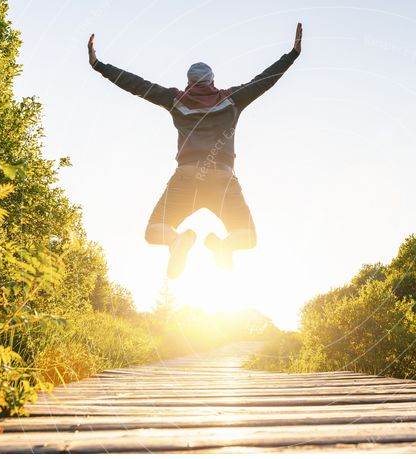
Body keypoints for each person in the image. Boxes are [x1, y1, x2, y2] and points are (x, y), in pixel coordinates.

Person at [87, 23, 302, 278]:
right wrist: (292, 55)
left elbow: (137, 85)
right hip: (222, 178)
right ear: (213, 81)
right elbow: (264, 81)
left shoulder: (176, 99)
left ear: (188, 82)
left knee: (155, 230)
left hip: (187, 176)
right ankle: (223, 245)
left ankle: (178, 241)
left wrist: (99, 65)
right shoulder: (232, 98)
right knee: (247, 237)